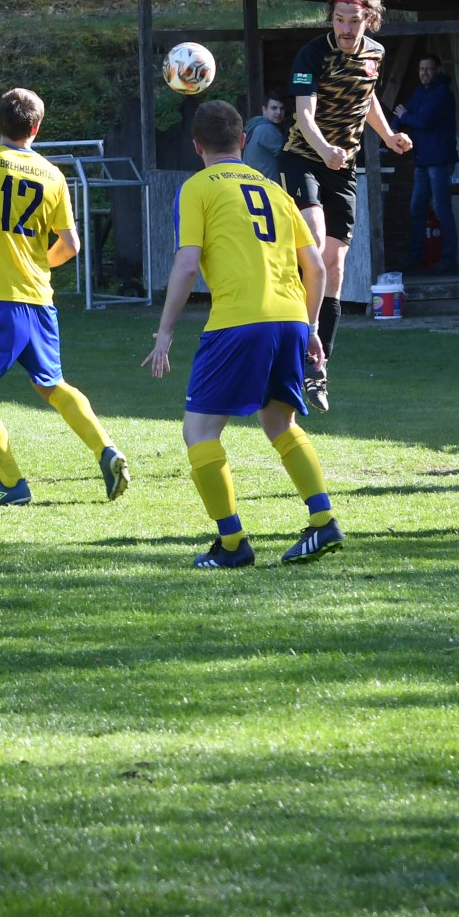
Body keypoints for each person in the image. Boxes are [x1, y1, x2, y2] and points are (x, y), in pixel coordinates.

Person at [145, 100, 345, 568]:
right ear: (241, 142)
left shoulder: (197, 188)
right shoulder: (275, 191)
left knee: (199, 431)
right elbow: (314, 265)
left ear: (197, 147)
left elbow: (187, 263)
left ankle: (233, 544)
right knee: (280, 424)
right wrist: (311, 325)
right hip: (291, 317)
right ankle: (323, 522)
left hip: (240, 321)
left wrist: (164, 332)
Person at [0, 87, 131, 505]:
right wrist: (37, 268)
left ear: (0, 122)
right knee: (53, 384)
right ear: (36, 127)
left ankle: (13, 485)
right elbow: (71, 245)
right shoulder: (52, 175)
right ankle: (107, 449)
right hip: (38, 299)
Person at [275, 0, 414, 412]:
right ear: (331, 20)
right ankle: (292, 329)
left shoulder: (375, 54)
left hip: (344, 166)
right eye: (340, 20)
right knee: (314, 241)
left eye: (355, 21)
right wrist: (325, 151)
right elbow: (303, 113)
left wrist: (389, 135)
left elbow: (367, 98)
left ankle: (318, 364)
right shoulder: (312, 54)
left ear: (367, 21)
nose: (347, 28)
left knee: (336, 262)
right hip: (304, 158)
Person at [392, 53, 459, 273]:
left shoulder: (443, 93)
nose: (424, 73)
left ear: (438, 70)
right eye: (421, 69)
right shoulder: (421, 91)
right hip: (422, 160)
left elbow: (424, 121)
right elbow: (402, 114)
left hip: (439, 160)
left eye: (429, 69)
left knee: (441, 209)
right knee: (416, 209)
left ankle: (448, 260)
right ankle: (415, 259)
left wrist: (404, 116)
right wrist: (392, 129)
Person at [243, 96, 287, 181]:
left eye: (281, 109)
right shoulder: (268, 130)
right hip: (268, 186)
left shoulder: (255, 126)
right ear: (264, 110)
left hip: (254, 183)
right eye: (274, 108)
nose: (278, 112)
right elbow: (288, 158)